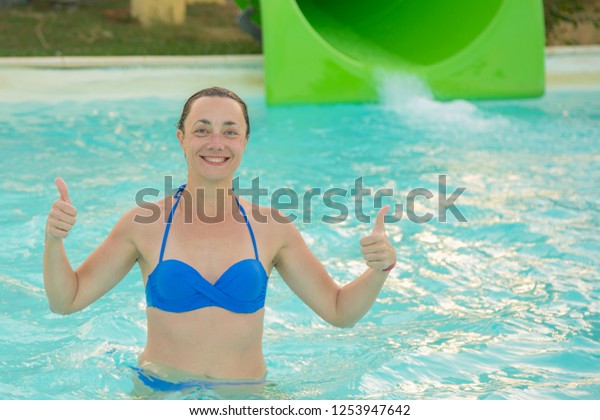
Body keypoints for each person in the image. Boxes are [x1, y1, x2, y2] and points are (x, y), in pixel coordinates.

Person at [43, 86, 397, 392]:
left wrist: (379, 270)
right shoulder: (144, 224)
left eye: (230, 132)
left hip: (246, 398)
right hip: (161, 394)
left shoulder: (271, 227)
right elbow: (67, 300)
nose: (216, 144)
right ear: (181, 137)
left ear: (245, 141)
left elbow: (339, 312)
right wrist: (54, 240)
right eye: (202, 130)